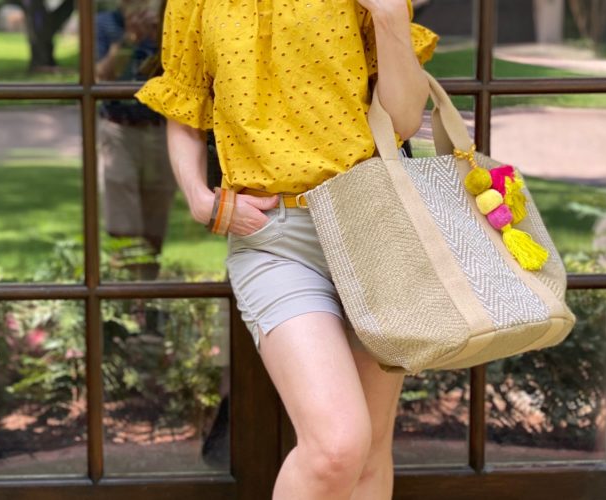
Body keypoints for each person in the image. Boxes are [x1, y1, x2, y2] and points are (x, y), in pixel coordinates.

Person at [136, 0, 438, 497]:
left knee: (370, 451)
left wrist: (388, 15)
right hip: (274, 239)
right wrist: (198, 197)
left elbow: (404, 120)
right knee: (337, 446)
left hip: (373, 228)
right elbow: (184, 105)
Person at [95, 0, 175, 280]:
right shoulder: (103, 24)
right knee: (121, 217)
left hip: (159, 128)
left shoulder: (168, 22)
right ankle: (126, 294)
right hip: (119, 129)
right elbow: (100, 77)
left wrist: (159, 39)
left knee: (156, 215)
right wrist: (128, 41)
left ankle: (148, 292)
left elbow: (182, 78)